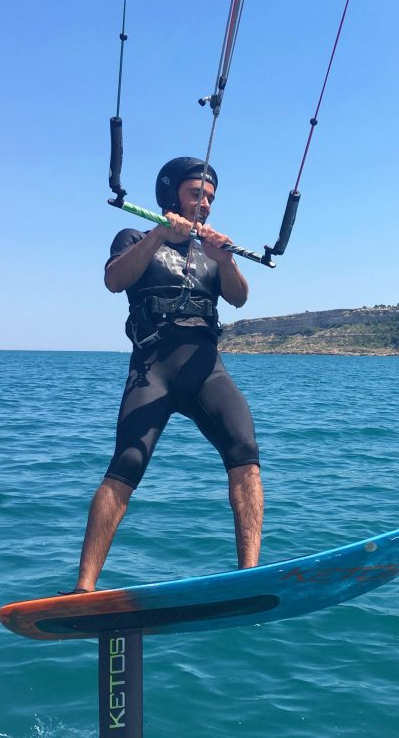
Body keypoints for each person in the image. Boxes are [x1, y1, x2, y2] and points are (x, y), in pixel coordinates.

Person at [66, 157, 264, 594]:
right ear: (172, 194)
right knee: (126, 464)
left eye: (210, 197)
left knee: (245, 450)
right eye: (196, 194)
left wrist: (225, 260)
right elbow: (114, 280)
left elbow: (240, 298)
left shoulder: (210, 249)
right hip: (153, 369)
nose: (204, 204)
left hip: (205, 369)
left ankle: (251, 575)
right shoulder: (135, 236)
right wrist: (159, 235)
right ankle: (84, 587)